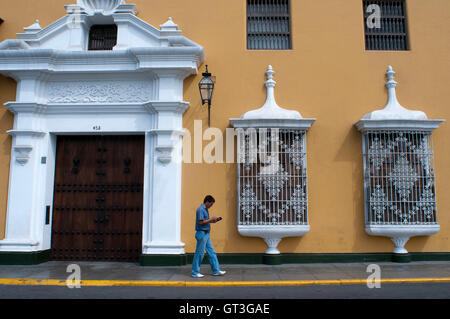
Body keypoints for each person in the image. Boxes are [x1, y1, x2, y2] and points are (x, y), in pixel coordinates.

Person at [191, 195, 226, 278]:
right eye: (211, 204)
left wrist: (214, 220)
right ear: (207, 202)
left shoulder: (205, 210)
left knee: (211, 252)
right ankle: (195, 272)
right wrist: (211, 219)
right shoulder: (200, 209)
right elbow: (200, 222)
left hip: (206, 234)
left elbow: (205, 222)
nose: (211, 206)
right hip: (201, 233)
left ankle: (216, 271)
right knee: (199, 253)